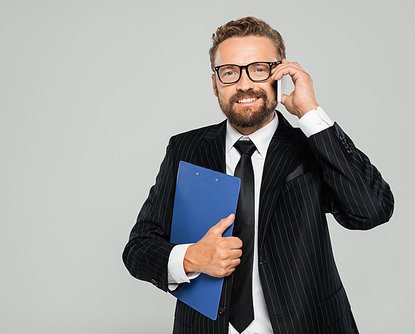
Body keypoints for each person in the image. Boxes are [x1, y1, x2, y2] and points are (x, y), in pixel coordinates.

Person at [122, 16, 394, 334]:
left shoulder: (311, 145)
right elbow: (138, 249)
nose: (244, 83)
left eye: (259, 69)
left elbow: (372, 209)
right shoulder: (185, 148)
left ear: (278, 74)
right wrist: (191, 258)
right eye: (229, 72)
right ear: (215, 83)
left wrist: (310, 113)